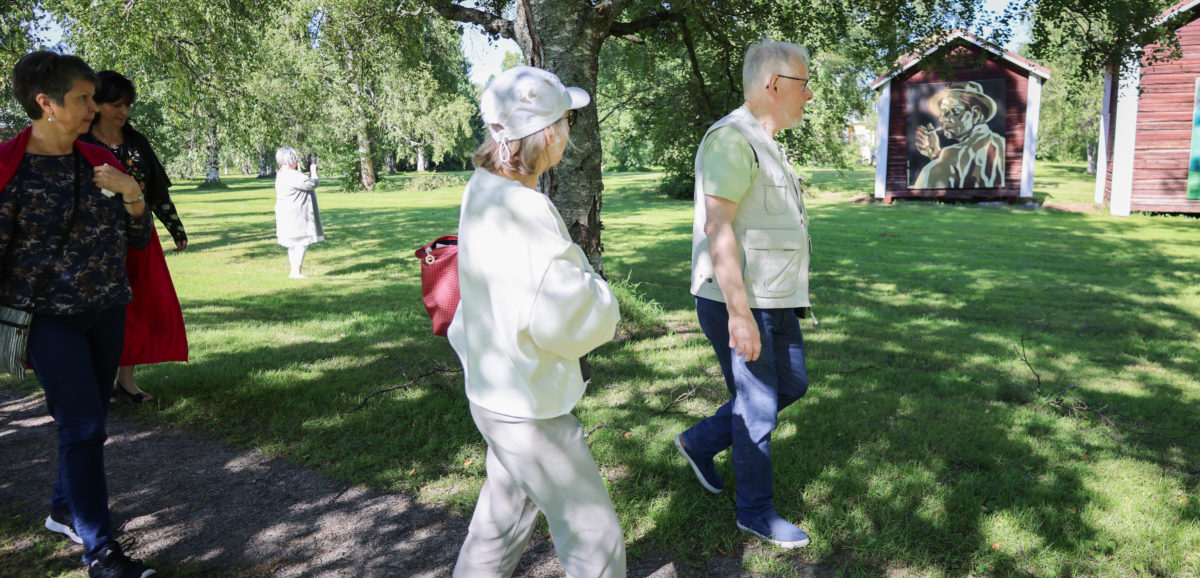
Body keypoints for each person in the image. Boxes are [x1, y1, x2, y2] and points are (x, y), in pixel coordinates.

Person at [447, 66, 625, 577]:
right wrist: (601, 292)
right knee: (595, 539)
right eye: (567, 121)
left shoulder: (481, 189)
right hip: (529, 407)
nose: (569, 132)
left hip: (495, 391)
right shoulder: (525, 209)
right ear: (546, 133)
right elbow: (565, 318)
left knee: (500, 523)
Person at [0, 51, 156, 577]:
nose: (95, 107)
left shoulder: (98, 162)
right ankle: (101, 552)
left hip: (107, 310)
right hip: (48, 320)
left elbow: (136, 238)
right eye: (83, 98)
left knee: (93, 421)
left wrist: (133, 194)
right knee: (83, 425)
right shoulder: (11, 170)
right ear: (45, 103)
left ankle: (65, 509)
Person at [674, 39, 816, 549]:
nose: (810, 95)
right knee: (756, 406)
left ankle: (700, 440)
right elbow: (719, 228)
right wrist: (739, 314)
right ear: (773, 84)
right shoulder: (733, 140)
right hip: (739, 301)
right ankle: (755, 513)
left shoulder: (763, 140)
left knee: (791, 385)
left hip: (774, 299)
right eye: (803, 84)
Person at [81, 70, 189, 403]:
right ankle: (94, 383)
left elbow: (155, 190)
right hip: (95, 242)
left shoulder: (137, 143)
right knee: (97, 309)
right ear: (97, 104)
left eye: (128, 104)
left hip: (139, 237)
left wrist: (176, 227)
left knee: (136, 307)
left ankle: (126, 382)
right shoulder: (80, 142)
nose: (124, 111)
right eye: (116, 104)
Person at [912, 81, 1006, 189]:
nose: (942, 119)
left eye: (953, 111)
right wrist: (936, 154)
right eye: (943, 111)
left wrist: (940, 158)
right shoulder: (1002, 143)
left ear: (975, 114)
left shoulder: (951, 154)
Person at [273, 147, 322, 278]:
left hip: (286, 213)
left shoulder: (281, 174)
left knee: (292, 244)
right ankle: (297, 272)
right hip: (298, 214)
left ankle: (294, 271)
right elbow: (312, 184)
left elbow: (304, 182)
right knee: (302, 242)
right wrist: (313, 171)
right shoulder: (292, 175)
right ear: (291, 160)